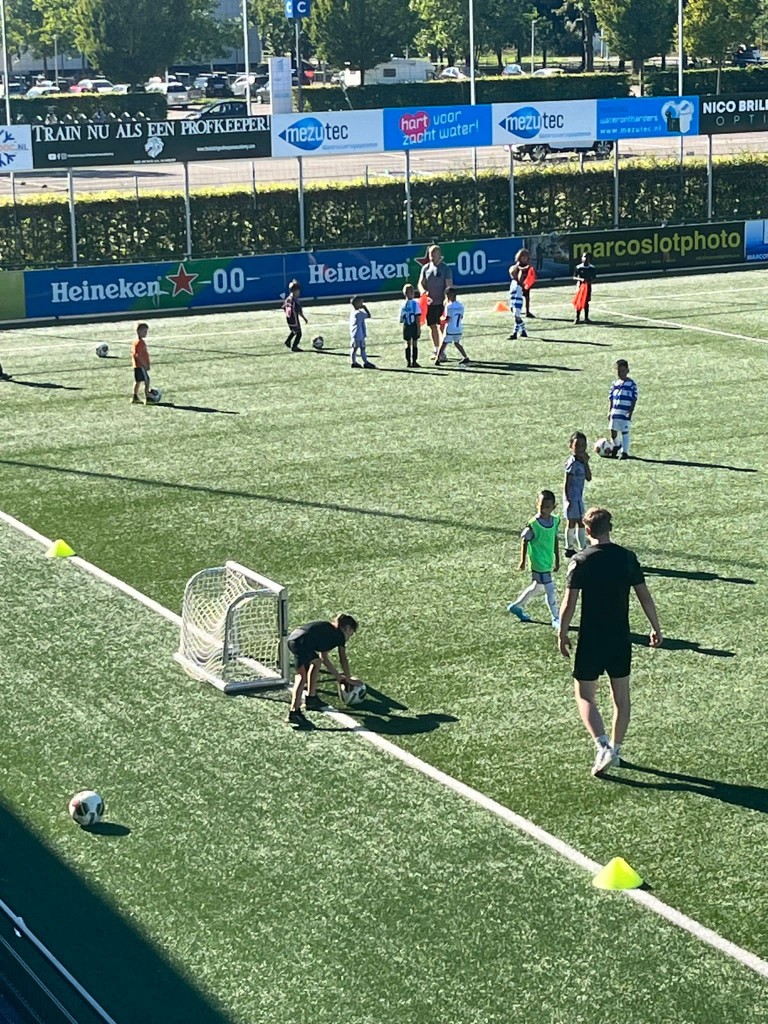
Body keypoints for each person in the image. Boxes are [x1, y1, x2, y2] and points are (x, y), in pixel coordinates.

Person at [557, 507, 662, 776]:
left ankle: (602, 744)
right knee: (621, 699)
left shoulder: (581, 560)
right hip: (620, 637)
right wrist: (655, 627)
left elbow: (569, 603)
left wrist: (562, 632)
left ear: (587, 530)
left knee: (584, 695)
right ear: (610, 528)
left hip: (592, 637)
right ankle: (616, 748)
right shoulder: (627, 558)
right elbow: (644, 595)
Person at [286, 614, 361, 728]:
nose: (349, 636)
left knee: (316, 662)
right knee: (301, 677)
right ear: (347, 628)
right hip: (300, 642)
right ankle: (294, 712)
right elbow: (343, 659)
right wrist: (349, 678)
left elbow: (324, 659)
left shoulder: (328, 632)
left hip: (295, 639)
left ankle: (311, 698)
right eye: (351, 633)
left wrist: (339, 677)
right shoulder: (339, 636)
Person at [507, 489, 561, 629]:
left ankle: (516, 606)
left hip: (547, 560)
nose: (544, 509)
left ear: (553, 507)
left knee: (536, 587)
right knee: (550, 588)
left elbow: (554, 539)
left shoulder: (555, 521)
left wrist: (557, 559)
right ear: (537, 504)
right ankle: (556, 617)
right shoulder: (533, 524)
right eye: (541, 506)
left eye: (547, 507)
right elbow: (525, 540)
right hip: (538, 561)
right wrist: (523, 561)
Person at [418, 244, 453, 360]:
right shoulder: (425, 268)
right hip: (430, 304)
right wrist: (424, 293)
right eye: (430, 254)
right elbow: (420, 284)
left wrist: (447, 299)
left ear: (439, 255)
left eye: (434, 254)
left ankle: (443, 352)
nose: (432, 256)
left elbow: (449, 285)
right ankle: (436, 349)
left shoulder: (445, 268)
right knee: (432, 326)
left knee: (442, 327)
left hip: (441, 303)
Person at [563, 431, 592, 556]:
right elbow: (567, 481)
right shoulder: (572, 463)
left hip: (578, 497)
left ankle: (579, 547)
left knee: (579, 521)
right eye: (577, 445)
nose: (580, 449)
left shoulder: (581, 462)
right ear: (571, 446)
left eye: (583, 446)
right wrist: (568, 498)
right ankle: (570, 547)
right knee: (573, 521)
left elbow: (589, 477)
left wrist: (586, 463)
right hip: (572, 497)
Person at [608, 359, 638, 460]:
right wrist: (609, 410)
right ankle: (617, 445)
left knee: (625, 431)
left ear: (627, 370)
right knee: (613, 432)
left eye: (623, 371)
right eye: (619, 371)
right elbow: (611, 398)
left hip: (625, 412)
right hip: (615, 412)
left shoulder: (631, 384)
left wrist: (630, 411)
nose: (621, 373)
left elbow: (634, 398)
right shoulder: (615, 383)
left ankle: (624, 452)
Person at [433, 286, 470, 365]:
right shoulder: (461, 305)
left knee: (443, 343)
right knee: (457, 343)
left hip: (450, 328)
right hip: (458, 328)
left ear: (449, 296)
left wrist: (441, 319)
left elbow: (447, 319)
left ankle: (437, 359)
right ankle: (465, 357)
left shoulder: (448, 306)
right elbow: (461, 317)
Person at [508, 248, 531, 339]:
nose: (524, 259)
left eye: (526, 257)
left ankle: (517, 332)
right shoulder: (515, 267)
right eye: (523, 257)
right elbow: (512, 272)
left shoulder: (526, 269)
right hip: (513, 292)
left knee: (516, 315)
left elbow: (520, 280)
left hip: (518, 293)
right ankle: (522, 332)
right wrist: (520, 268)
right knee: (513, 312)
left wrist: (522, 270)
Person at [349, 296, 375, 368]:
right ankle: (365, 362)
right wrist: (365, 308)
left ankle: (353, 362)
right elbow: (368, 315)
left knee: (354, 348)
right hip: (359, 334)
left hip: (354, 334)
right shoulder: (358, 313)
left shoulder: (353, 312)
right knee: (362, 348)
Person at [399, 283, 421, 368]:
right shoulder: (415, 304)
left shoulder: (403, 304)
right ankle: (414, 361)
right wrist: (419, 328)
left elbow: (401, 317)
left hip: (406, 325)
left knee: (407, 343)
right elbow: (417, 316)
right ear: (413, 293)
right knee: (415, 343)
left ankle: (408, 362)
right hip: (413, 325)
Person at [283, 279, 307, 352]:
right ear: (295, 291)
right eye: (298, 290)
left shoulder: (288, 299)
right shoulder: (294, 300)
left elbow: (284, 307)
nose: (299, 292)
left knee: (294, 330)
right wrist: (304, 318)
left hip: (289, 318)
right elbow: (299, 311)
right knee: (299, 333)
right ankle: (294, 346)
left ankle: (287, 341)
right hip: (294, 318)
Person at [573, 251, 596, 324]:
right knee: (579, 302)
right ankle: (577, 318)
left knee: (586, 302)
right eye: (584, 257)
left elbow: (594, 278)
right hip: (580, 288)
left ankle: (586, 318)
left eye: (587, 257)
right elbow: (574, 277)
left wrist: (590, 282)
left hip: (588, 287)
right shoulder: (578, 267)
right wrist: (581, 279)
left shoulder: (592, 268)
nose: (585, 258)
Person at [131, 322, 151, 405]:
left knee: (138, 381)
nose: (146, 333)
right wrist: (144, 364)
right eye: (144, 332)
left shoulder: (138, 342)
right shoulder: (139, 342)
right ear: (139, 331)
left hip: (137, 366)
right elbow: (137, 355)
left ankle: (135, 396)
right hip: (140, 366)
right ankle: (148, 397)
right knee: (147, 381)